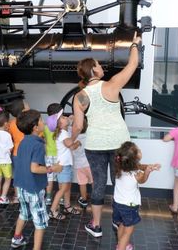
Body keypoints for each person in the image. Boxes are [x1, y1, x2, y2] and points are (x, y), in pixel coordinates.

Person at [71, 31, 141, 237]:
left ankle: (96, 225)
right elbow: (132, 65)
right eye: (99, 65)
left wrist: (71, 139)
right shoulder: (112, 85)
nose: (102, 67)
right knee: (120, 181)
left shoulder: (80, 96)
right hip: (119, 144)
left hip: (95, 145)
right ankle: (118, 221)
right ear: (93, 69)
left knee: (99, 183)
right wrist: (135, 44)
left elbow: (77, 125)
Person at [11, 109, 62, 249]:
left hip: (20, 186)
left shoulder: (23, 142)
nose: (44, 122)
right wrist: (53, 168)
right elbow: (34, 168)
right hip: (34, 188)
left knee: (24, 212)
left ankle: (16, 238)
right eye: (41, 120)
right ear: (35, 127)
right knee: (40, 221)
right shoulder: (38, 145)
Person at [113, 142, 161, 250]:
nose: (140, 150)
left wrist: (149, 166)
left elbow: (139, 166)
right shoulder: (136, 174)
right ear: (135, 158)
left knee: (121, 225)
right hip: (129, 207)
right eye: (138, 150)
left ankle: (121, 244)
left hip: (117, 203)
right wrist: (147, 172)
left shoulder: (120, 166)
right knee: (128, 231)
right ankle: (121, 247)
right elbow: (143, 180)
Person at [49, 110, 81, 220]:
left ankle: (66, 206)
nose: (65, 117)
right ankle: (53, 210)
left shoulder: (62, 132)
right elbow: (70, 145)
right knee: (63, 189)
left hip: (63, 165)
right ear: (59, 124)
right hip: (63, 166)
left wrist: (72, 118)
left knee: (65, 188)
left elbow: (71, 146)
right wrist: (77, 139)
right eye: (62, 117)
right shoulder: (63, 133)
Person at [7, 98, 29, 203]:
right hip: (28, 152)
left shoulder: (11, 123)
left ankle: (17, 196)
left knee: (17, 174)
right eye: (27, 105)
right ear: (23, 110)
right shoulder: (28, 122)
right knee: (28, 173)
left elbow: (9, 137)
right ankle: (28, 194)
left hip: (16, 152)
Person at [43, 103, 62, 205]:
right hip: (59, 155)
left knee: (49, 178)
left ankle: (48, 198)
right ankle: (61, 198)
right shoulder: (60, 127)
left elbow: (44, 140)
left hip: (49, 155)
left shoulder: (45, 127)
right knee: (61, 177)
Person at [72, 117, 93, 209]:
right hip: (89, 164)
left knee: (82, 183)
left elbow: (72, 148)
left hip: (79, 165)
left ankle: (84, 200)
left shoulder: (73, 137)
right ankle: (96, 197)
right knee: (93, 182)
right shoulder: (89, 134)